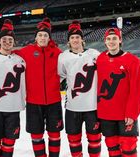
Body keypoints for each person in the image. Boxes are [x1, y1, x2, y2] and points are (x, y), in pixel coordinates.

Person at [14, 18, 63, 157]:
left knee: (54, 134)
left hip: (54, 101)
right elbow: (9, 53)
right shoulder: (27, 51)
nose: (42, 37)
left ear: (49, 37)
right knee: (36, 134)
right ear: (36, 37)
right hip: (33, 102)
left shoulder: (58, 53)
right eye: (40, 35)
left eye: (45, 35)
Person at [97, 28, 140, 157]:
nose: (111, 41)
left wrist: (132, 112)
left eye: (114, 38)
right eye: (108, 39)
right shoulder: (100, 59)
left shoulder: (133, 61)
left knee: (129, 146)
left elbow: (138, 90)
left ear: (120, 40)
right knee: (112, 146)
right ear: (105, 42)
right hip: (106, 112)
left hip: (125, 114)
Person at [0, 19, 26, 157]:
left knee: (9, 144)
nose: (8, 42)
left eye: (10, 39)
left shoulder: (20, 60)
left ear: (14, 42)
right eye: (4, 39)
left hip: (13, 108)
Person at [58, 20, 101, 157]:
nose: (75, 40)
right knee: (74, 140)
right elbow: (61, 75)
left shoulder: (94, 54)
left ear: (82, 40)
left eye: (77, 37)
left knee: (94, 140)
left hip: (92, 107)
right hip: (72, 106)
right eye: (72, 38)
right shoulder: (63, 57)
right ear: (68, 41)